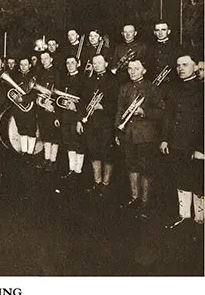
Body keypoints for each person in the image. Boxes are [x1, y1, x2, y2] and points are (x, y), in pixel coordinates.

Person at [115, 59, 164, 218]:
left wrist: (144, 112)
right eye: (130, 68)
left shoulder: (152, 88)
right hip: (128, 133)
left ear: (144, 70)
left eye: (137, 68)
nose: (132, 71)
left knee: (146, 168)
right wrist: (118, 131)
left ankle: (145, 202)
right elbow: (119, 111)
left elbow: (161, 111)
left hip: (146, 135)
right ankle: (134, 198)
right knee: (131, 165)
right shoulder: (124, 87)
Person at [161, 53, 203, 232]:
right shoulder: (174, 89)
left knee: (198, 182)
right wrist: (164, 139)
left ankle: (200, 220)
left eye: (185, 65)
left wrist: (201, 148)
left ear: (196, 66)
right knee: (181, 178)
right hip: (177, 144)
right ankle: (184, 216)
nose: (181, 69)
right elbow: (168, 117)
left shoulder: (202, 90)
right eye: (178, 65)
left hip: (196, 146)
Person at [77, 54, 118, 197]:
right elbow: (82, 101)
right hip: (90, 123)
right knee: (93, 152)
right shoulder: (89, 80)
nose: (96, 65)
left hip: (106, 123)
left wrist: (103, 106)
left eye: (100, 63)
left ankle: (106, 184)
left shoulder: (113, 80)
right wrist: (79, 120)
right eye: (94, 63)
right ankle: (97, 182)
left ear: (106, 64)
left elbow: (117, 104)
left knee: (106, 153)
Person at [58, 56, 85, 179]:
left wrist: (79, 118)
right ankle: (71, 169)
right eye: (67, 63)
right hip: (65, 116)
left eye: (72, 63)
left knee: (78, 143)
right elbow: (58, 100)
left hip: (76, 116)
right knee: (68, 143)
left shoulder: (83, 79)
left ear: (78, 64)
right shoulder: (64, 79)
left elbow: (84, 101)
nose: (70, 65)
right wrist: (57, 117)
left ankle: (78, 171)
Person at [35, 51, 61, 171]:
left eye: (46, 58)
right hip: (42, 108)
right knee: (45, 134)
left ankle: (53, 161)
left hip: (53, 107)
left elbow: (57, 91)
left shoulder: (57, 72)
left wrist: (52, 105)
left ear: (51, 59)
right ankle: (46, 160)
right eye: (42, 59)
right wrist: (41, 102)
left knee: (54, 135)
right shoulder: (39, 73)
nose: (44, 60)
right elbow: (36, 90)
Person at [12, 57, 38, 157]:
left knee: (31, 130)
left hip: (30, 107)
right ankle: (24, 151)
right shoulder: (15, 77)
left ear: (30, 66)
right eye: (21, 64)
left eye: (25, 64)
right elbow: (11, 90)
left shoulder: (34, 77)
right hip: (18, 108)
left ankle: (30, 153)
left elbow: (35, 92)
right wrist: (15, 97)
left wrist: (24, 99)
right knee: (21, 129)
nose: (23, 67)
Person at [147, 21, 180, 86]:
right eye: (157, 30)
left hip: (172, 84)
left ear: (169, 31)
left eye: (163, 30)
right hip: (153, 84)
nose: (160, 33)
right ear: (154, 32)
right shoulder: (149, 48)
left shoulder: (176, 47)